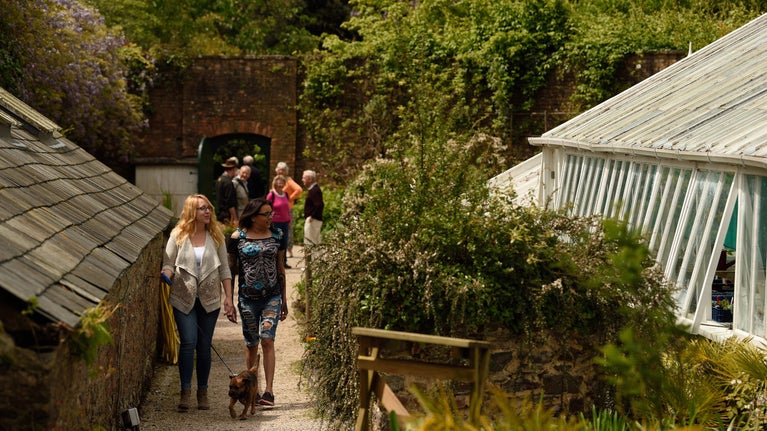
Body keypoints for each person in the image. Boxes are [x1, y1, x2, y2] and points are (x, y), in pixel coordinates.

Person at [161, 194, 235, 412]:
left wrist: (229, 298)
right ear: (192, 211)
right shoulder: (178, 235)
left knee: (204, 347)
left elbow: (225, 269)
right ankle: (185, 391)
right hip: (183, 297)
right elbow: (168, 264)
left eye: (209, 208)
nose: (208, 212)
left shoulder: (216, 235)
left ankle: (202, 391)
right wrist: (166, 274)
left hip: (210, 299)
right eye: (203, 208)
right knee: (188, 343)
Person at [227, 198, 289, 407]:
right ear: (254, 217)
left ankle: (269, 392)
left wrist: (284, 300)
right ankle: (252, 389)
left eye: (272, 213)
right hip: (247, 299)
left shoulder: (277, 236)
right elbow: (231, 271)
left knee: (267, 339)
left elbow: (280, 268)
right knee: (252, 343)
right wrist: (229, 299)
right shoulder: (237, 238)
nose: (271, 217)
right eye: (267, 214)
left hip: (272, 296)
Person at [275, 162, 303, 258]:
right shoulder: (276, 180)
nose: (280, 171)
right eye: (279, 169)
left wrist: (289, 198)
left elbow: (299, 189)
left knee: (288, 229)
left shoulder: (288, 181)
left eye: (283, 169)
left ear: (286, 171)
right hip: (277, 210)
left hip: (287, 209)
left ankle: (289, 250)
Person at [267, 175, 292, 268]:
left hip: (285, 222)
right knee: (275, 241)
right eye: (279, 182)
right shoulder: (271, 195)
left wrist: (290, 220)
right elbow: (267, 208)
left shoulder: (285, 194)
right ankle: (273, 262)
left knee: (284, 242)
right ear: (275, 183)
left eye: (282, 182)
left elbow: (287, 208)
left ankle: (283, 261)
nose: (280, 184)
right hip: (275, 222)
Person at [302, 170, 324, 246]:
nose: (302, 180)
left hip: (313, 220)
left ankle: (313, 258)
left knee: (311, 242)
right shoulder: (313, 189)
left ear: (310, 179)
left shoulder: (315, 190)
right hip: (313, 219)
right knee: (312, 242)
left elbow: (319, 205)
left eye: (304, 178)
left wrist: (312, 216)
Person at [216, 157, 239, 226]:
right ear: (233, 169)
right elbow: (230, 202)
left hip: (221, 213)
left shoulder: (220, 179)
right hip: (227, 216)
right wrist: (235, 219)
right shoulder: (228, 182)